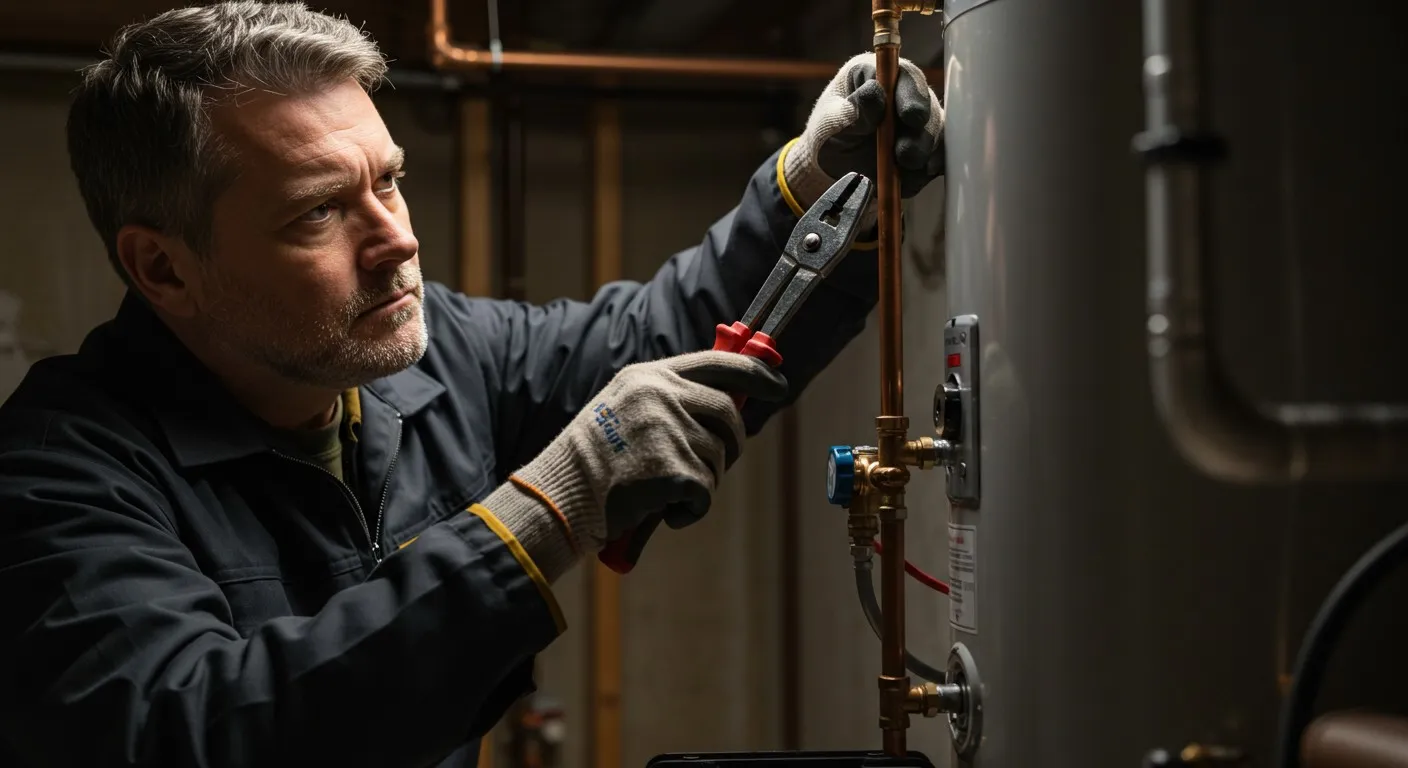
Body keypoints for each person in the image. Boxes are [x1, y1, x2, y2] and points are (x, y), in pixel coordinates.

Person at [0, 2, 945, 766]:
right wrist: (544, 514)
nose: (397, 238)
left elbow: (661, 345)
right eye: (320, 211)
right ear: (162, 269)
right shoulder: (56, 475)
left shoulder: (430, 354)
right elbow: (200, 731)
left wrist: (817, 179)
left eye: (390, 182)